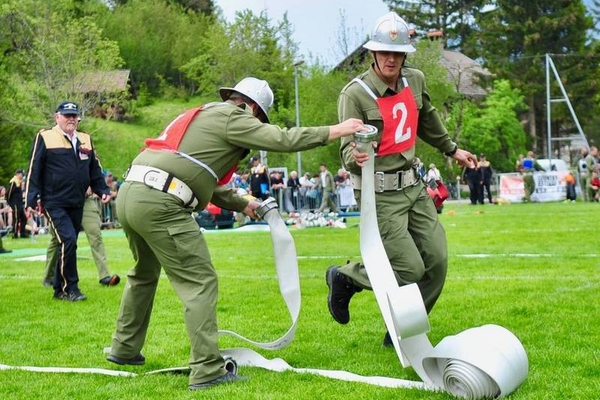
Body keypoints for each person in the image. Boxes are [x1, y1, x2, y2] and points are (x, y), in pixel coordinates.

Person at [107, 76, 365, 390]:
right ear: (253, 107)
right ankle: (207, 369)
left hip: (132, 192)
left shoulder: (204, 114)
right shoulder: (235, 116)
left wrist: (243, 203)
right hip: (162, 200)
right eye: (260, 119)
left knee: (143, 274)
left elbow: (206, 181)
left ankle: (124, 348)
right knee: (200, 282)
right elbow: (283, 140)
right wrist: (337, 130)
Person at [325, 11, 476, 346]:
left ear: (405, 55)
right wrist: (356, 157)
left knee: (436, 262)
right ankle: (348, 277)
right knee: (409, 269)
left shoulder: (416, 80)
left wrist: (452, 150)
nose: (391, 59)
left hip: (414, 186)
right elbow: (347, 149)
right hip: (379, 196)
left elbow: (428, 119)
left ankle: (401, 332)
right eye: (384, 52)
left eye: (397, 53)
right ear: (373, 54)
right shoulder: (356, 93)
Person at [25, 101, 111, 302]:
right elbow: (34, 169)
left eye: (74, 115)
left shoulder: (85, 139)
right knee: (68, 240)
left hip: (77, 200)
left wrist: (102, 189)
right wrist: (30, 198)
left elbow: (94, 169)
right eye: (67, 115)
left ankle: (58, 288)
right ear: (57, 117)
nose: (71, 119)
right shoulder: (45, 137)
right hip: (54, 201)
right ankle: (71, 287)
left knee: (67, 244)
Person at [42, 187, 120, 287]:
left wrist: (99, 189)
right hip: (62, 201)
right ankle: (49, 276)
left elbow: (95, 174)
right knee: (57, 240)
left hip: (86, 200)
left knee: (96, 237)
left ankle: (105, 276)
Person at [7, 169, 29, 239]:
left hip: (19, 204)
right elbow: (9, 193)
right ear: (17, 174)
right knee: (16, 219)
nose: (22, 175)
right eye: (21, 174)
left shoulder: (19, 182)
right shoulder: (13, 181)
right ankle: (15, 234)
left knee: (24, 218)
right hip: (15, 204)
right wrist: (10, 203)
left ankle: (22, 233)